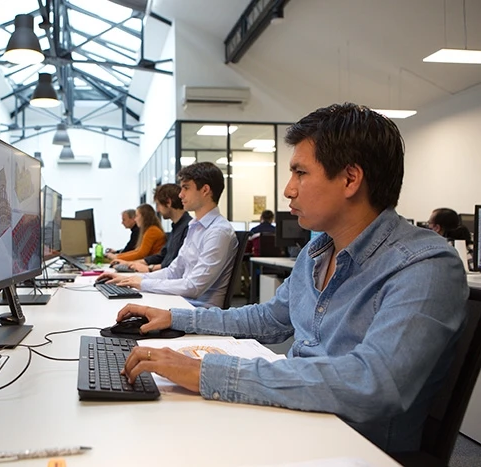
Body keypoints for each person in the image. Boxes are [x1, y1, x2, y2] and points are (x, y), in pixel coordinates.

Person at [115, 103, 468, 454]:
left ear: (350, 178)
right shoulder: (317, 253)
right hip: (301, 422)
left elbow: (372, 383)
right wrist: (177, 318)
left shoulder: (425, 266)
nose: (288, 190)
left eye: (300, 172)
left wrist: (208, 372)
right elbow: (270, 318)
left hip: (352, 449)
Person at [99, 162, 238, 308]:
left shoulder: (218, 232)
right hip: (180, 302)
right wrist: (134, 278)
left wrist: (143, 283)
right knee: (118, 305)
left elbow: (193, 287)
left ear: (205, 190)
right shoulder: (195, 227)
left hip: (196, 311)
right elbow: (173, 271)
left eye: (186, 188)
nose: (180, 194)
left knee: (120, 311)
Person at [113, 183, 192, 273]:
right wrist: (131, 263)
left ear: (168, 202)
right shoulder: (176, 227)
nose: (157, 210)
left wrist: (149, 268)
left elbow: (175, 265)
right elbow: (162, 256)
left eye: (158, 205)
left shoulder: (189, 228)